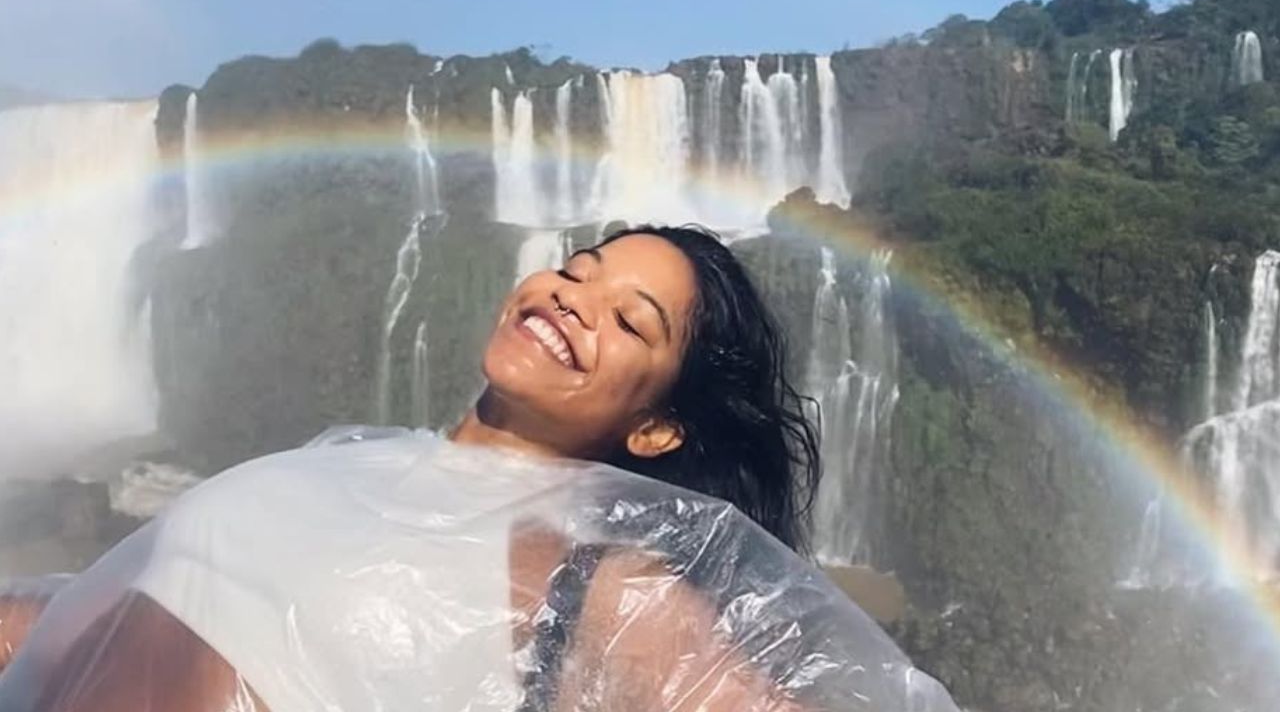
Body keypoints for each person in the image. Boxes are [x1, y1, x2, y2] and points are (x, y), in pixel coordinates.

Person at [0, 226, 956, 711]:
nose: (573, 300)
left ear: (659, 428)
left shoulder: (608, 583)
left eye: (630, 321)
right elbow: (119, 607)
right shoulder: (350, 463)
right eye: (581, 269)